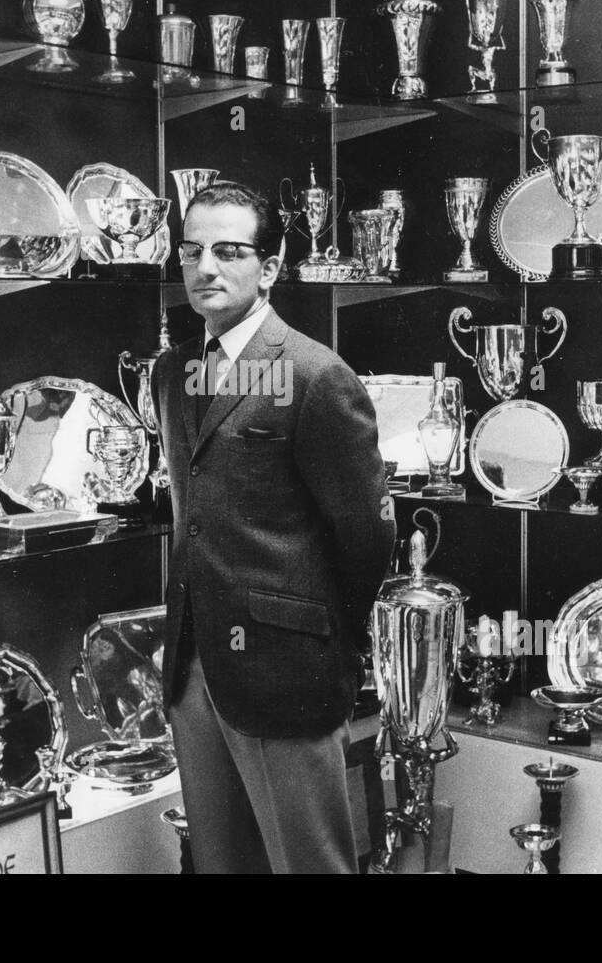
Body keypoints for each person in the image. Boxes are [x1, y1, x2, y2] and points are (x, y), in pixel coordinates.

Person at [150, 181, 396, 874]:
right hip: (194, 668)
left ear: (273, 266)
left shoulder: (317, 376)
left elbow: (367, 536)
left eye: (229, 251)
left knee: (309, 866)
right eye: (192, 250)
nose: (206, 268)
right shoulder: (172, 372)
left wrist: (321, 639)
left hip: (285, 671)